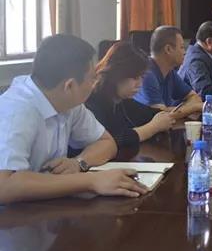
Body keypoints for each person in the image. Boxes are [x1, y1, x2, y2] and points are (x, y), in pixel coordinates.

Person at [0, 35, 148, 204]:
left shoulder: (68, 101)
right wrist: (91, 181)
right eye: (92, 78)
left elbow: (106, 143)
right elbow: (4, 185)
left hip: (45, 205)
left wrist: (79, 163)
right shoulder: (16, 110)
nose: (95, 83)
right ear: (69, 86)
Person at [86, 42, 176, 151]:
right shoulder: (93, 101)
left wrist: (164, 116)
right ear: (118, 75)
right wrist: (153, 127)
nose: (140, 84)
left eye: (141, 77)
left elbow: (148, 113)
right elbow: (112, 139)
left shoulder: (122, 100)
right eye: (135, 78)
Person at [133, 26, 202, 118]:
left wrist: (179, 110)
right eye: (182, 47)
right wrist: (193, 108)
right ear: (168, 49)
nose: (184, 52)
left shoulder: (170, 72)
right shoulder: (147, 74)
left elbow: (195, 98)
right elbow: (160, 114)